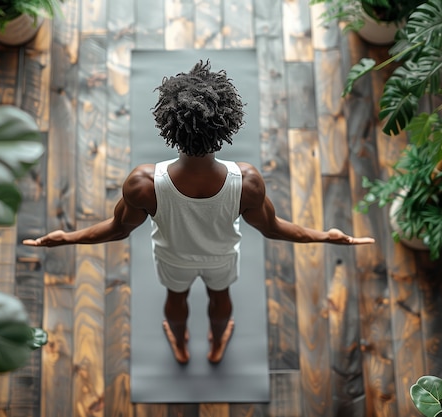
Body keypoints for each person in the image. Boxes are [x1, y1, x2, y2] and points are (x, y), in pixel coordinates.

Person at [23, 60, 375, 365]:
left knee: (175, 299)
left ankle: (179, 342)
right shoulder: (248, 182)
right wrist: (325, 237)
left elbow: (117, 229)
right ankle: (218, 343)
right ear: (226, 125)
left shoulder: (143, 183)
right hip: (220, 258)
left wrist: (66, 238)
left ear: (169, 126)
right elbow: (272, 228)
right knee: (220, 299)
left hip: (173, 259)